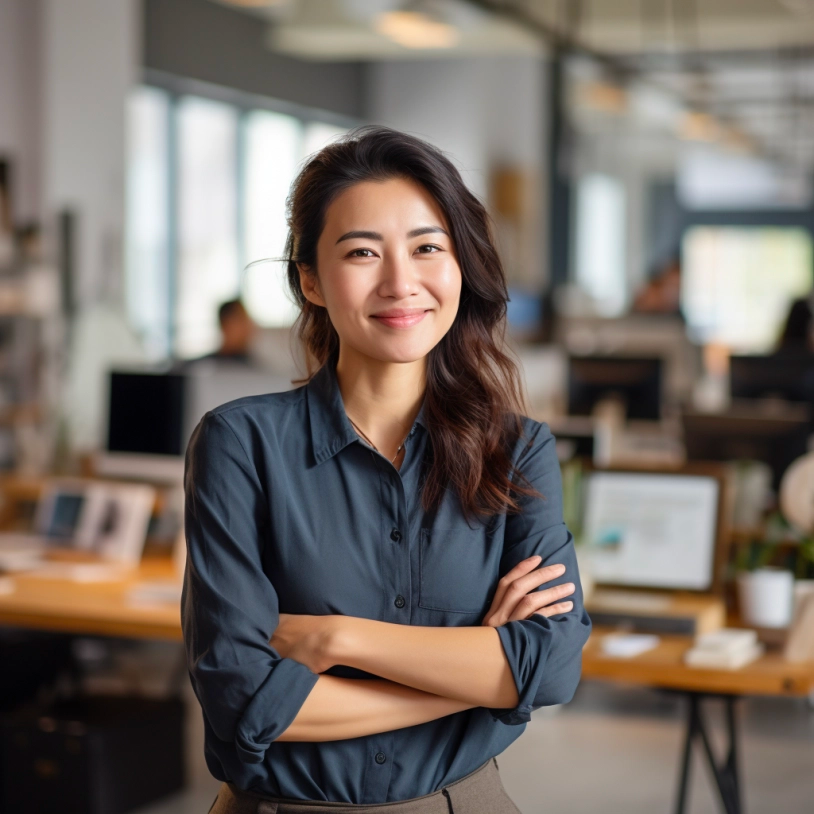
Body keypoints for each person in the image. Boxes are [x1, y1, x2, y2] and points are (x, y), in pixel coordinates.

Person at [182, 125, 592, 814]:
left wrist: (335, 640)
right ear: (309, 279)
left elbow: (550, 666)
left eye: (428, 247)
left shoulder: (517, 451)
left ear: (460, 265)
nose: (402, 283)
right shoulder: (239, 445)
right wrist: (481, 671)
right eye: (363, 252)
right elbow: (244, 702)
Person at [182, 298, 259, 369]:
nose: (249, 328)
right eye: (242, 322)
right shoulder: (199, 367)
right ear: (225, 325)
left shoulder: (254, 369)